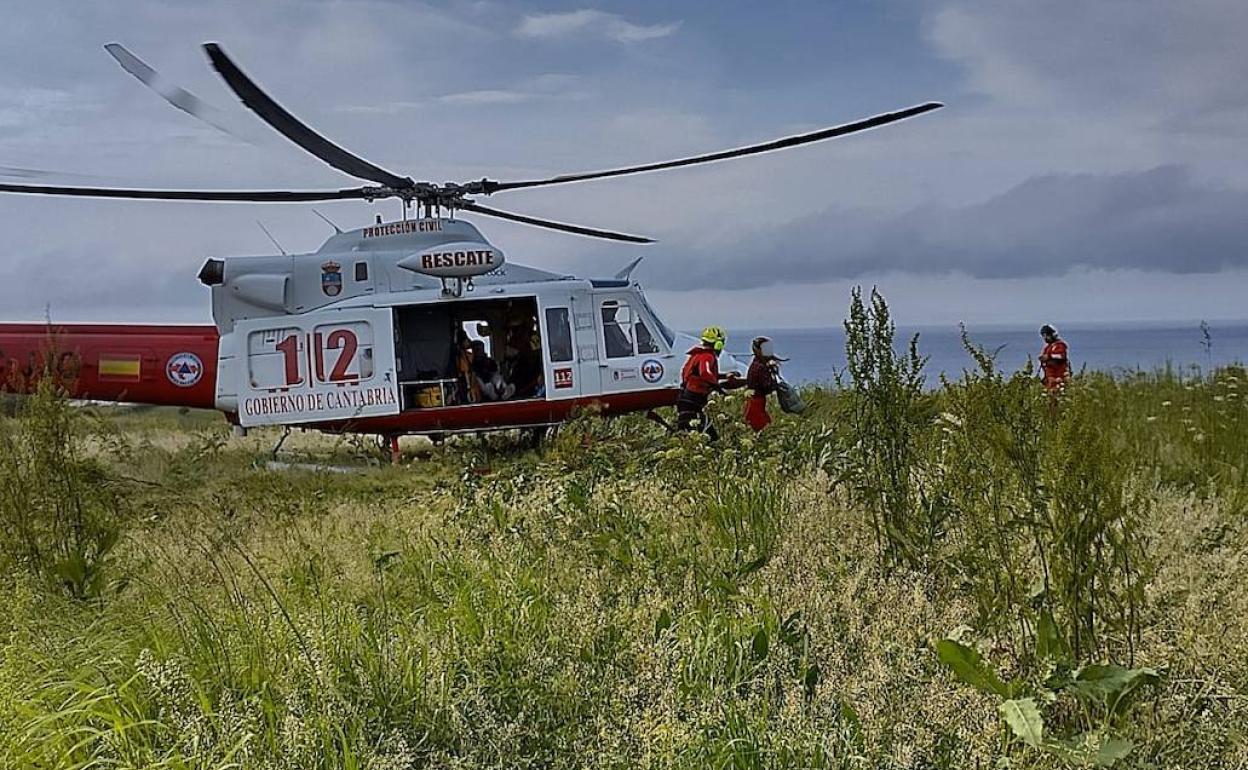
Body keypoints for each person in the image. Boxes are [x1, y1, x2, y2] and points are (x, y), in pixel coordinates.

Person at [676, 325, 744, 439]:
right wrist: (719, 388)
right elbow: (705, 373)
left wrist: (724, 376)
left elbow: (700, 374)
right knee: (708, 434)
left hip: (686, 398)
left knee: (687, 430)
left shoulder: (697, 355)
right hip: (694, 400)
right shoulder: (707, 356)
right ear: (718, 344)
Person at [744, 336, 786, 432]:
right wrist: (774, 379)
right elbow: (767, 386)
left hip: (755, 403)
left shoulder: (756, 364)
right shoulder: (760, 367)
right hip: (756, 404)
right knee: (765, 430)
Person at [1038, 324, 1070, 391]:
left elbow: (1060, 356)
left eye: (1045, 336)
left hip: (1058, 378)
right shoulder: (1048, 347)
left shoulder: (1060, 345)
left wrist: (1048, 357)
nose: (1044, 338)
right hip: (1049, 378)